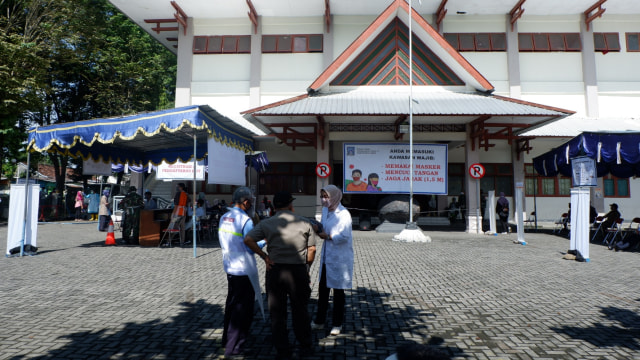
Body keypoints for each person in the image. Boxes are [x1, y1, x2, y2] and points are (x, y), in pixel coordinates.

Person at [244, 191, 318, 359]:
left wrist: (265, 257)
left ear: (274, 207)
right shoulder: (305, 222)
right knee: (300, 310)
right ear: (291, 205)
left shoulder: (267, 223)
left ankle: (282, 349)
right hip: (297, 271)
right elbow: (312, 249)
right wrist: (306, 268)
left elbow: (248, 239)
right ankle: (305, 346)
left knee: (277, 312)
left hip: (275, 271)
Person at [218, 187, 265, 358]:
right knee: (242, 309)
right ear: (246, 202)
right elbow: (251, 247)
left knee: (231, 305)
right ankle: (235, 346)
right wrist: (264, 242)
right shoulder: (246, 221)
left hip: (230, 267)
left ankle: (226, 339)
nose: (252, 204)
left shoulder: (224, 217)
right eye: (251, 201)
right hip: (244, 269)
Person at [311, 185, 354, 336]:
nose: (324, 199)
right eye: (322, 195)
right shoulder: (325, 210)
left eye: (326, 196)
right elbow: (324, 227)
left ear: (335, 196)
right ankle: (319, 320)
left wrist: (328, 237)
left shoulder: (344, 214)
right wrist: (318, 229)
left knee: (338, 292)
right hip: (326, 257)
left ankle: (337, 323)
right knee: (322, 290)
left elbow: (344, 236)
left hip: (339, 258)